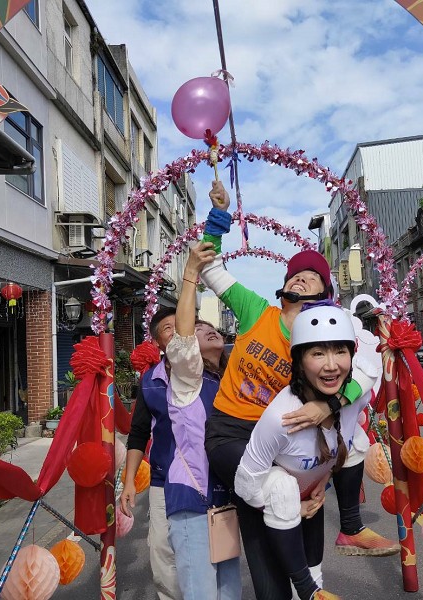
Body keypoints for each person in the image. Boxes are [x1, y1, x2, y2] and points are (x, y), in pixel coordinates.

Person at [196, 181, 399, 600]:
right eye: (297, 276)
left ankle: (330, 556)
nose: (303, 280)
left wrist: (332, 404)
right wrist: (218, 217)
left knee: (307, 508)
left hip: (289, 437)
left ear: (327, 295)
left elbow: (367, 367)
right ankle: (300, 588)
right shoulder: (257, 311)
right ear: (284, 287)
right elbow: (210, 269)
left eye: (313, 278)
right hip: (233, 433)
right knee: (275, 511)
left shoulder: (328, 335)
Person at [235, 303, 381, 600]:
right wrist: (291, 507)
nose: (332, 365)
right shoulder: (282, 418)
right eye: (317, 354)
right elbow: (245, 484)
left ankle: (350, 528)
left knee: (358, 440)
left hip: (314, 488)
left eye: (340, 351)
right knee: (282, 487)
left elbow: (371, 369)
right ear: (299, 362)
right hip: (277, 505)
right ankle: (306, 589)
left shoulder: (353, 395)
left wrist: (332, 404)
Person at [162, 244, 241, 599]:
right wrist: (191, 273)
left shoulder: (230, 381)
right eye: (197, 327)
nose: (206, 328)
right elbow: (182, 341)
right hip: (194, 501)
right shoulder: (187, 380)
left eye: (209, 325)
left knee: (230, 593)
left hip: (226, 501)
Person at [122, 306, 182, 600]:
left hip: (205, 478)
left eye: (181, 324)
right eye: (168, 328)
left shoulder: (211, 374)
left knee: (206, 551)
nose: (177, 331)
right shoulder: (149, 381)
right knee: (160, 550)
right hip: (163, 478)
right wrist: (129, 481)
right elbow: (138, 433)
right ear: (157, 342)